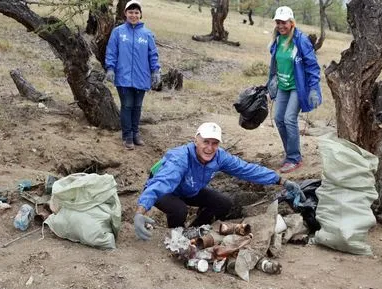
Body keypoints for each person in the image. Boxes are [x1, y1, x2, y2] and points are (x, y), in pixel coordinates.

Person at [133, 122, 303, 241]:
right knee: (179, 209)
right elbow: (162, 182)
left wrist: (281, 180)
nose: (209, 147)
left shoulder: (219, 157)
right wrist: (141, 211)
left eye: (214, 143)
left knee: (223, 203)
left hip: (189, 189)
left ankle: (194, 230)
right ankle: (174, 237)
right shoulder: (180, 158)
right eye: (205, 142)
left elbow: (247, 169)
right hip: (166, 192)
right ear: (196, 140)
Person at [267, 6, 322, 173]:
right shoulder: (277, 40)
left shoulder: (301, 40)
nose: (281, 25)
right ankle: (290, 153)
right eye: (278, 22)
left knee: (290, 118)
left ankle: (294, 158)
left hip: (298, 87)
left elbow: (312, 66)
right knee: (278, 118)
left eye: (284, 22)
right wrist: (271, 83)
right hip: (283, 86)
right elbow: (275, 64)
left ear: (291, 22)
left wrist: (314, 89)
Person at [105, 0, 161, 150]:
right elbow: (111, 51)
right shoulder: (118, 32)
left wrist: (156, 71)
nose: (133, 15)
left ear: (140, 14)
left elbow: (153, 55)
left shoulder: (147, 34)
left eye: (136, 12)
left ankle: (136, 134)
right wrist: (110, 68)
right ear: (125, 13)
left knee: (137, 106)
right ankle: (127, 136)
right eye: (130, 12)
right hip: (123, 77)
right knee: (127, 105)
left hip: (141, 77)